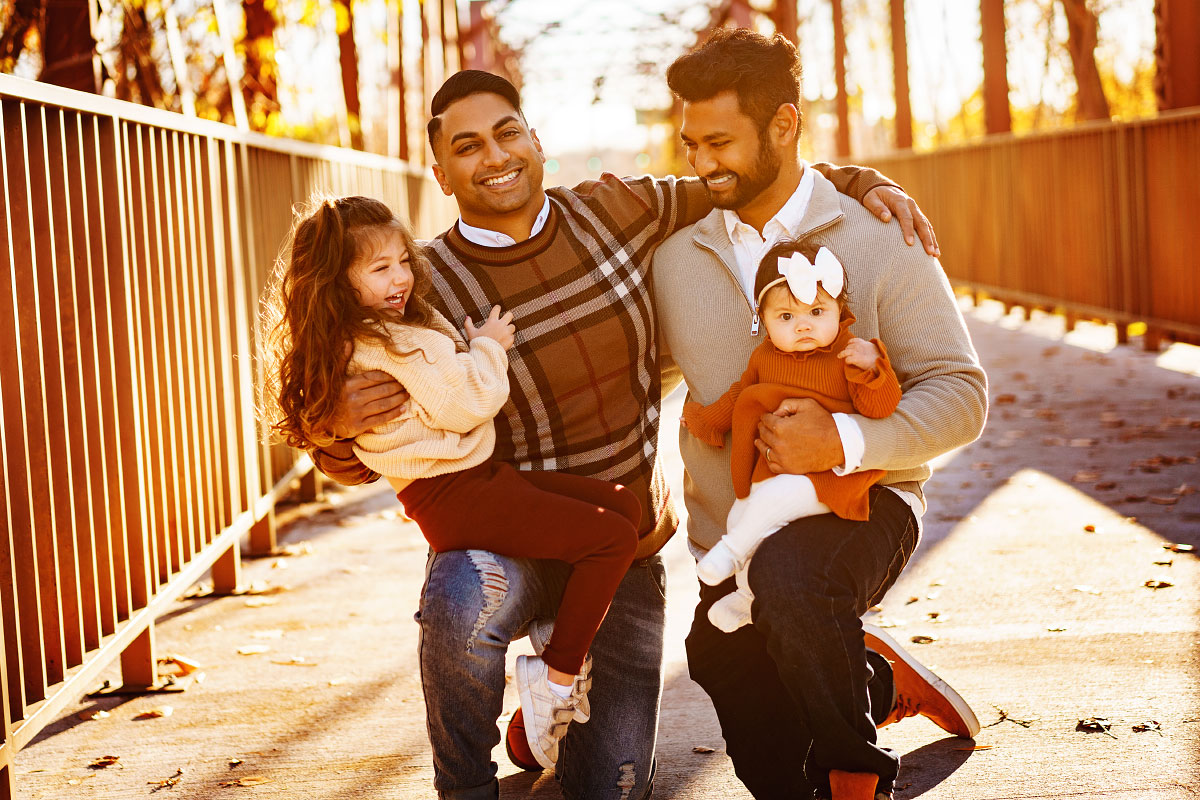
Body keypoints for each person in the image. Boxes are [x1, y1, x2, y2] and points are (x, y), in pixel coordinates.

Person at [308, 68, 940, 800]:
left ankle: (865, 678)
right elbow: (361, 434)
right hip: (503, 536)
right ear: (441, 173)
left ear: (537, 141)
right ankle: (467, 785)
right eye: (468, 145)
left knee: (610, 787)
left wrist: (860, 182)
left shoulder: (619, 210)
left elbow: (750, 180)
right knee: (457, 597)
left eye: (508, 132)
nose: (495, 155)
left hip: (619, 546)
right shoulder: (416, 285)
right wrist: (335, 428)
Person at [654, 29, 989, 800]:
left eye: (720, 142)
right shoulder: (673, 259)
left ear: (783, 125)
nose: (702, 163)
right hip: (732, 542)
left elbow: (960, 392)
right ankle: (869, 680)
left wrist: (842, 437)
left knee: (794, 580)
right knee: (758, 733)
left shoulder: (882, 239)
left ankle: (859, 772)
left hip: (862, 506)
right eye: (690, 143)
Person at [262, 194, 642, 769]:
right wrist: (488, 346)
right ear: (339, 283)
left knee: (623, 508)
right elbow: (470, 402)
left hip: (477, 480)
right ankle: (556, 676)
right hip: (457, 494)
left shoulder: (381, 329)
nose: (401, 278)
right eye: (379, 268)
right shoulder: (387, 343)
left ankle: (552, 627)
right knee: (612, 539)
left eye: (403, 262)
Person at [681, 238, 901, 633]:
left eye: (817, 311)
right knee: (741, 514)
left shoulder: (848, 353)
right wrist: (704, 420)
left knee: (774, 503)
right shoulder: (764, 358)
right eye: (785, 316)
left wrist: (872, 368)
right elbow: (740, 398)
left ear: (840, 311)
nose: (803, 325)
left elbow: (880, 408)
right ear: (762, 321)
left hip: (831, 477)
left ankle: (729, 554)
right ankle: (747, 596)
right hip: (776, 472)